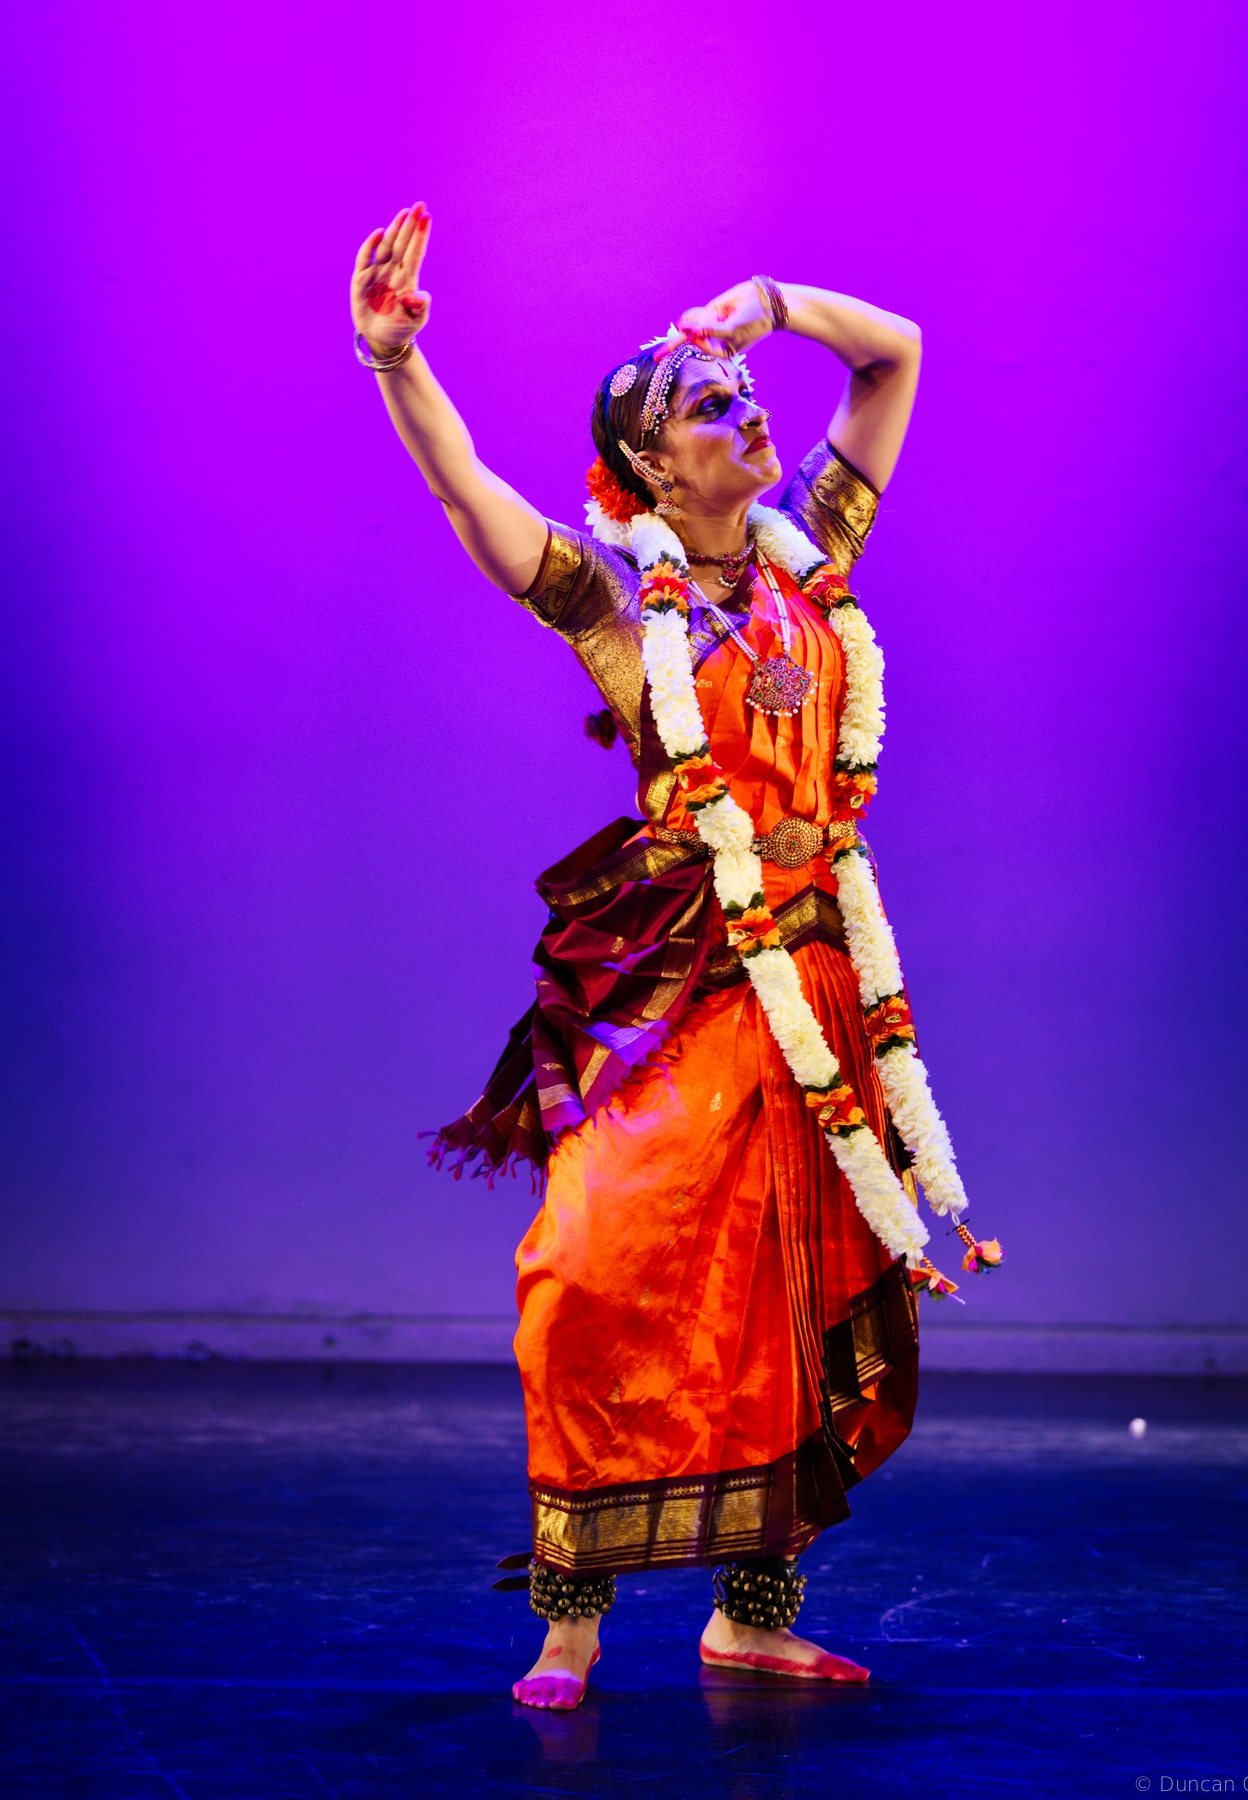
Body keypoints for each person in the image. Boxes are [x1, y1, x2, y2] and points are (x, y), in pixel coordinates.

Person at [349, 203, 999, 1710]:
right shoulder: (611, 604)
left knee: (786, 1293)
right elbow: (467, 497)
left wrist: (768, 302)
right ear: (650, 467)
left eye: (744, 393)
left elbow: (893, 356)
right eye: (713, 406)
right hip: (678, 974)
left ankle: (752, 1615)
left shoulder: (811, 554)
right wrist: (397, 363)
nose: (749, 411)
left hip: (818, 971)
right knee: (585, 1268)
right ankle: (570, 1622)